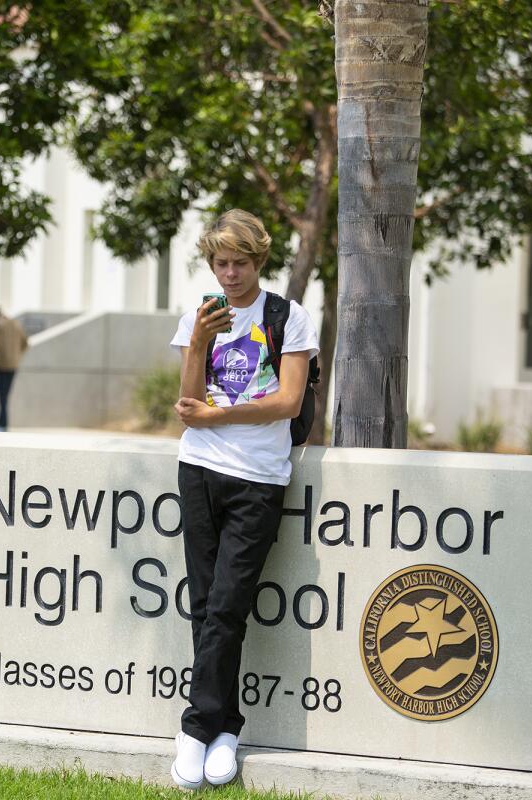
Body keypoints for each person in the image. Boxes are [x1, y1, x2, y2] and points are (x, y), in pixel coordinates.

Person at [168, 209, 318, 789]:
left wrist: (220, 413)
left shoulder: (288, 317)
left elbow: (286, 401)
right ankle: (224, 730)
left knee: (229, 604)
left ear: (259, 260)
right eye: (220, 263)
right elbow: (187, 406)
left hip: (259, 478)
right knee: (205, 605)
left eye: (240, 263)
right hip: (199, 470)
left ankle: (194, 727)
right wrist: (197, 346)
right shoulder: (198, 317)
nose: (229, 274)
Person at [0, 305, 28, 430]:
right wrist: (17, 356)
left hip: (1, 365)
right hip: (13, 365)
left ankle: (2, 422)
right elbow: (25, 342)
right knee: (5, 395)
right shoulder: (15, 324)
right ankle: (3, 422)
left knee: (1, 395)